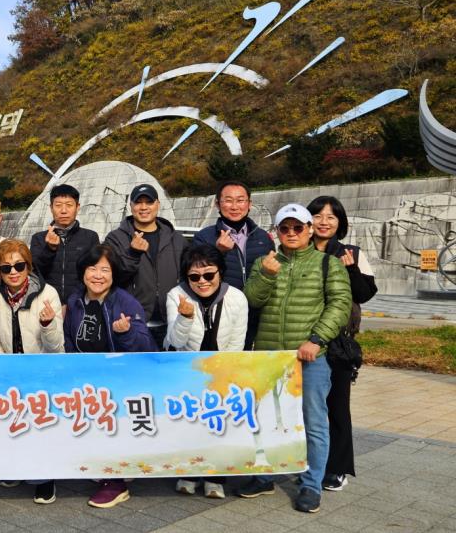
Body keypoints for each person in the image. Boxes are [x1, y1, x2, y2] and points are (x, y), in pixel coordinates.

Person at [240, 204, 351, 513]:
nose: (291, 233)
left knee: (314, 422)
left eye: (297, 227)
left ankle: (311, 484)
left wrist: (316, 340)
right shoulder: (266, 262)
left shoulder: (328, 264)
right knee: (266, 420)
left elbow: (340, 305)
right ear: (277, 232)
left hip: (311, 358)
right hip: (270, 358)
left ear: (309, 229)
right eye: (285, 228)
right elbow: (252, 299)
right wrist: (266, 275)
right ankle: (264, 478)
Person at [63, 244, 156, 508]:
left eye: (105, 269)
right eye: (92, 268)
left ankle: (116, 483)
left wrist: (125, 333)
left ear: (114, 274)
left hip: (120, 381)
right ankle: (107, 472)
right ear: (82, 272)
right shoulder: (75, 300)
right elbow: (70, 339)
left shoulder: (125, 302)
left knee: (113, 429)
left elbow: (146, 347)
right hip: (87, 380)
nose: (98, 275)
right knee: (94, 429)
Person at [164, 244, 248, 499]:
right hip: (187, 369)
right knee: (189, 422)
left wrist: (225, 375)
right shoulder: (176, 295)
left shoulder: (236, 298)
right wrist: (185, 318)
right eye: (194, 277)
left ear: (220, 273)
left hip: (222, 369)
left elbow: (237, 343)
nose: (202, 282)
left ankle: (215, 477)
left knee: (217, 421)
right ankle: (188, 472)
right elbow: (174, 342)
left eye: (209, 275)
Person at [0, 239, 63, 503]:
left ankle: (45, 479)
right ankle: (16, 468)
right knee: (13, 422)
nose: (14, 272)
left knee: (40, 425)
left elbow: (56, 346)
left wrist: (49, 324)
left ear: (29, 266)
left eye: (20, 265)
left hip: (42, 369)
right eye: (6, 268)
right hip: (9, 369)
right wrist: (1, 368)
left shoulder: (47, 294)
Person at [308, 196, 377, 492]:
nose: (324, 221)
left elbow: (364, 294)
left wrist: (350, 270)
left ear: (340, 223)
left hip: (336, 344)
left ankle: (337, 468)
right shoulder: (297, 248)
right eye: (318, 215)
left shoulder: (353, 253)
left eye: (331, 217)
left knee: (336, 407)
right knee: (307, 408)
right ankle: (307, 463)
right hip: (304, 340)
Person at [192, 181, 275, 348]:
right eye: (228, 200)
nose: (235, 206)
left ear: (249, 204)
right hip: (221, 316)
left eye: (240, 200)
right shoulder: (204, 238)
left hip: (257, 317)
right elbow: (195, 277)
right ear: (217, 204)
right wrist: (218, 252)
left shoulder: (263, 238)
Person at [104, 184, 186, 348]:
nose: (143, 207)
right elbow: (111, 278)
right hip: (131, 321)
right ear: (131, 206)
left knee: (168, 371)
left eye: (148, 202)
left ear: (157, 204)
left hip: (171, 320)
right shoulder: (115, 239)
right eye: (138, 202)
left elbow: (189, 276)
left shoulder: (176, 239)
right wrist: (132, 254)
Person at [30, 184, 99, 305]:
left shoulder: (90, 237)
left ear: (77, 207)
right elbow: (34, 274)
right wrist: (49, 249)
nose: (63, 211)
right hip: (47, 304)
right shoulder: (39, 238)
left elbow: (96, 274)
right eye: (58, 205)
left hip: (80, 304)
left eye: (69, 205)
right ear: (51, 208)